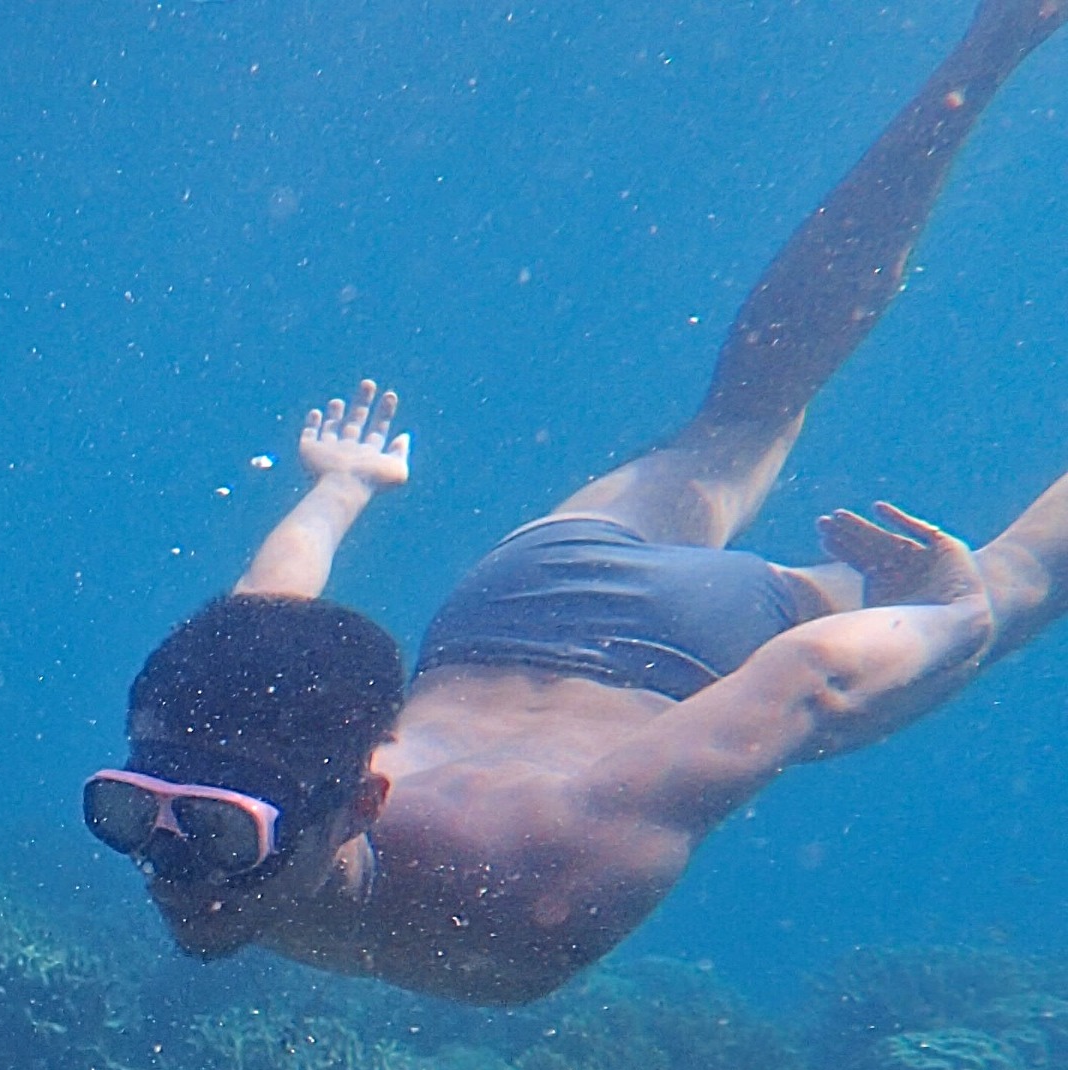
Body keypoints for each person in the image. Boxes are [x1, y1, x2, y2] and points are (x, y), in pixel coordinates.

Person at [85, 0, 1068, 1005]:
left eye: (220, 831)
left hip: (676, 646)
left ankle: (993, 41)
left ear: (362, 803)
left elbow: (809, 677)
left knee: (1015, 583)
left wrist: (952, 616)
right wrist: (336, 493)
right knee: (735, 426)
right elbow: (266, 627)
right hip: (513, 600)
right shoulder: (269, 783)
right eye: (129, 810)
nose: (170, 868)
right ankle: (989, 47)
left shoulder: (539, 871)